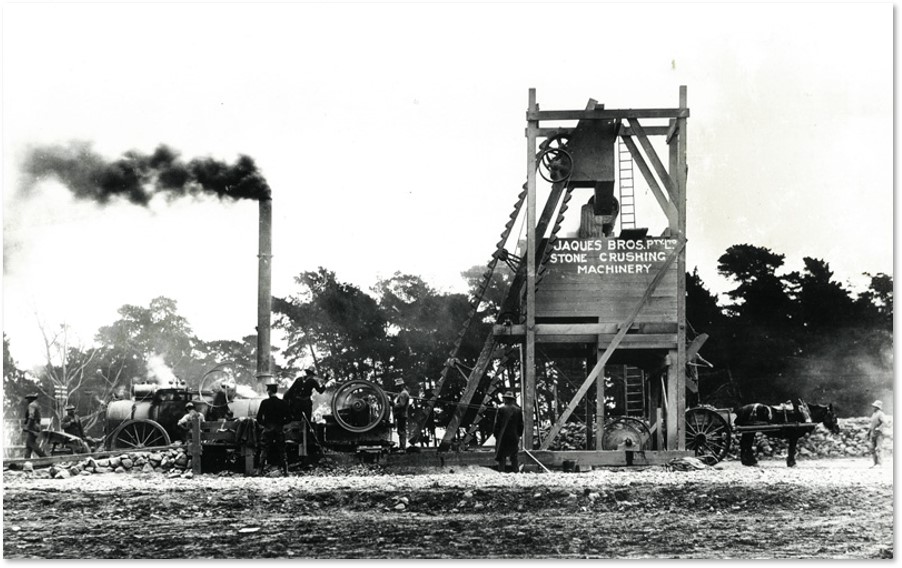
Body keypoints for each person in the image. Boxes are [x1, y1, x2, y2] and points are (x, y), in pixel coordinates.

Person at [256, 380, 289, 475]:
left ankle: (260, 470)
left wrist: (265, 424)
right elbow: (289, 418)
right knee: (282, 449)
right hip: (279, 429)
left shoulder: (265, 403)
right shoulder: (283, 403)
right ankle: (286, 471)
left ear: (269, 391)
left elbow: (258, 418)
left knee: (264, 449)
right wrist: (281, 423)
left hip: (268, 429)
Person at [493, 391, 523, 473]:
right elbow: (521, 425)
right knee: (514, 456)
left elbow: (497, 425)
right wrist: (518, 435)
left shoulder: (501, 409)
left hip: (503, 436)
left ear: (505, 400)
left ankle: (501, 472)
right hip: (514, 436)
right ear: (512, 400)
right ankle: (516, 472)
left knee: (502, 455)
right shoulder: (518, 410)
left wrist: (496, 435)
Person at [22, 393, 46, 459]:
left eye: (28, 399)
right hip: (36, 426)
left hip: (33, 427)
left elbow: (31, 417)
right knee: (28, 445)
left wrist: (27, 426)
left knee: (31, 443)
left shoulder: (32, 405)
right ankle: (26, 460)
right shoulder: (37, 405)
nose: (27, 400)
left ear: (31, 399)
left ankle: (44, 458)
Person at [392, 379, 410, 451]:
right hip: (402, 415)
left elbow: (401, 405)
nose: (397, 388)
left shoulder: (403, 393)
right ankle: (402, 447)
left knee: (401, 431)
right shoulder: (403, 393)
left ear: (402, 386)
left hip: (401, 415)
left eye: (399, 386)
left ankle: (402, 448)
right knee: (401, 431)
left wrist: (393, 404)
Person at [868, 400, 887, 467]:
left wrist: (879, 428)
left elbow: (885, 422)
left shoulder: (881, 414)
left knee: (878, 448)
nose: (873, 408)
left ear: (877, 407)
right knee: (872, 448)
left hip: (879, 434)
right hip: (873, 433)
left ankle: (879, 463)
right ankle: (875, 463)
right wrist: (869, 432)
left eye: (874, 406)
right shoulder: (874, 414)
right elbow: (872, 424)